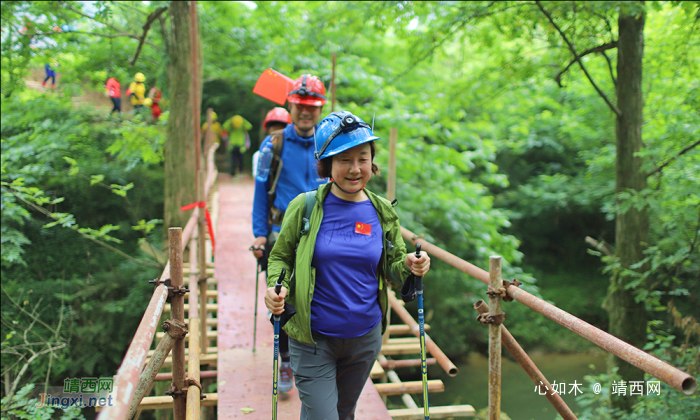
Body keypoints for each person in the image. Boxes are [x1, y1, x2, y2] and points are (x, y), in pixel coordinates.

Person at [264, 111, 431, 419]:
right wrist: (278, 287)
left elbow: (394, 264)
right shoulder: (304, 206)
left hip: (364, 340)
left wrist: (410, 265)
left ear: (372, 162)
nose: (355, 169)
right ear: (327, 165)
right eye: (344, 160)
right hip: (313, 339)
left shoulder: (382, 211)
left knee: (343, 413)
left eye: (363, 159)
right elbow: (280, 258)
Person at [250, 74, 329, 394]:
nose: (305, 112)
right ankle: (284, 359)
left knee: (321, 296)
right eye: (299, 105)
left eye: (312, 107)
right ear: (290, 105)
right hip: (281, 233)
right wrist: (259, 233)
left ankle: (318, 355)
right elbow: (260, 192)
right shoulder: (274, 144)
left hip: (323, 234)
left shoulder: (329, 143)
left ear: (320, 108)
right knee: (281, 299)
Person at [252, 107, 292, 177]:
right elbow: (259, 179)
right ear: (268, 130)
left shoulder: (292, 152)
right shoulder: (261, 154)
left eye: (281, 130)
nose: (278, 134)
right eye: (274, 130)